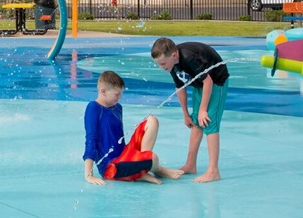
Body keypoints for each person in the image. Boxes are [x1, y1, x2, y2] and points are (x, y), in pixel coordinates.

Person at [82, 70, 183, 185]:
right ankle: (157, 169)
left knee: (152, 121)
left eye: (121, 93)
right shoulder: (93, 108)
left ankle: (143, 169)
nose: (120, 97)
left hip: (124, 154)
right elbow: (91, 140)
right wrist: (89, 175)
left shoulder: (117, 107)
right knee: (153, 158)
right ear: (103, 91)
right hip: (111, 167)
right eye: (117, 94)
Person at [151, 37, 229, 183]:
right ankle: (191, 164)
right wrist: (186, 115)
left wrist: (203, 109)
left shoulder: (188, 57)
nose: (161, 67)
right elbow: (180, 88)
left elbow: (208, 81)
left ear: (174, 55)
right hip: (201, 85)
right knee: (195, 122)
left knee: (208, 121)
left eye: (162, 63)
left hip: (217, 81)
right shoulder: (171, 64)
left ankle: (213, 171)